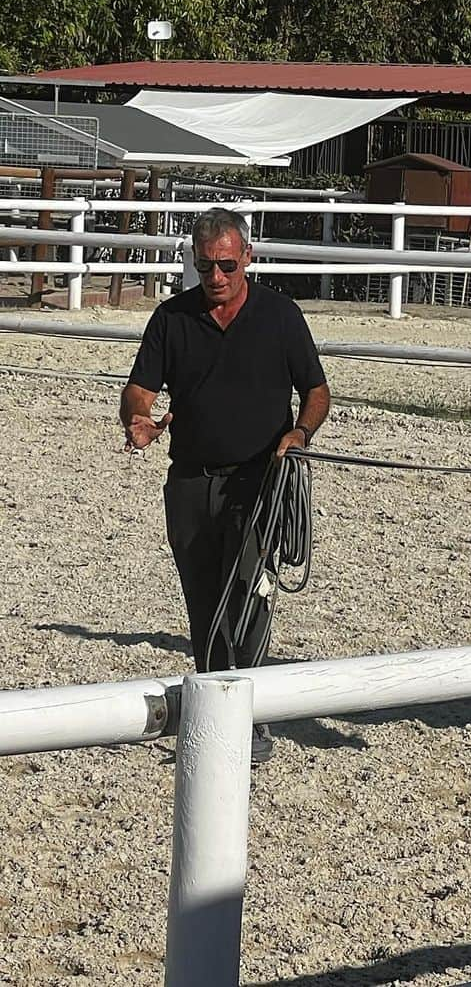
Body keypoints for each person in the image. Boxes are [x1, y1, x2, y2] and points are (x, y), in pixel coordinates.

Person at [120, 207, 330, 762]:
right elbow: (140, 388)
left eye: (227, 265)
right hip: (190, 480)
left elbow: (316, 390)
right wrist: (138, 418)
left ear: (248, 260)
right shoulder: (171, 319)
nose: (215, 277)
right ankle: (217, 711)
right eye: (205, 265)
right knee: (203, 600)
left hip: (260, 481)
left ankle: (249, 718)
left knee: (246, 594)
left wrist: (300, 433)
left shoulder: (281, 317)